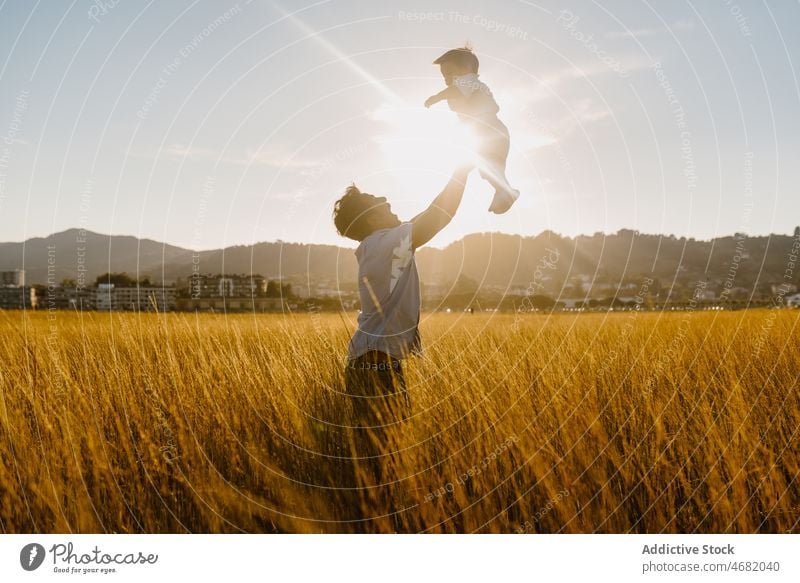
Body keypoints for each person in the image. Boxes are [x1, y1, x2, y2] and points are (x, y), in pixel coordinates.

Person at [332, 164, 473, 484]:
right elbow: (438, 216)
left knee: (379, 459)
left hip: (370, 363)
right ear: (370, 219)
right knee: (392, 459)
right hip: (377, 366)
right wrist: (461, 172)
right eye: (376, 200)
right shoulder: (384, 244)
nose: (384, 198)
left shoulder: (376, 247)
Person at [424, 46, 520, 214]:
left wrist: (436, 97)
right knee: (489, 166)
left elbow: (455, 91)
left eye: (449, 73)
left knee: (484, 163)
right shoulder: (471, 84)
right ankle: (503, 191)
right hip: (491, 130)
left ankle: (504, 191)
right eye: (443, 75)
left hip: (487, 129)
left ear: (466, 69)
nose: (446, 79)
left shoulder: (467, 81)